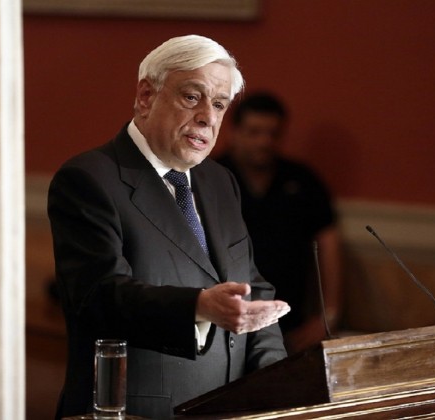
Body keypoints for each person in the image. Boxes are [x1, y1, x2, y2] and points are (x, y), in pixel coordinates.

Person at [47, 36, 290, 420]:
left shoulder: (219, 181)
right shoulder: (89, 179)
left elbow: (253, 289)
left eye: (219, 104)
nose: (208, 117)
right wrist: (198, 306)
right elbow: (100, 296)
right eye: (192, 97)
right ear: (146, 96)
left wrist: (275, 379)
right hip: (132, 410)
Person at [217, 92, 342, 354]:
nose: (264, 142)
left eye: (272, 133)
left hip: (290, 323)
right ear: (234, 133)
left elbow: (329, 243)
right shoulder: (211, 177)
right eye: (254, 132)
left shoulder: (302, 180)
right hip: (225, 321)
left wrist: (328, 314)